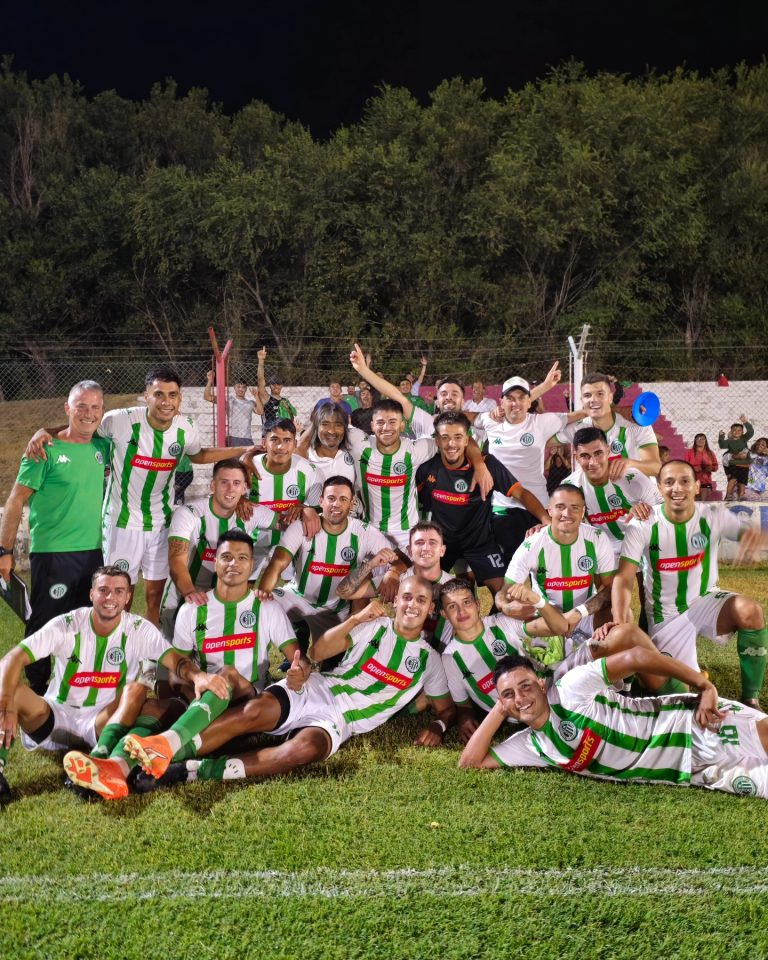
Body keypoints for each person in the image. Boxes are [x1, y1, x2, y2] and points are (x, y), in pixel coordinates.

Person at [121, 576, 455, 788]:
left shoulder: (430, 660)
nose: (411, 605)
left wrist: (439, 726)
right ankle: (161, 750)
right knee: (250, 713)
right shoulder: (373, 626)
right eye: (406, 597)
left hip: (339, 719)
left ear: (431, 609)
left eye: (421, 600)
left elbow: (446, 709)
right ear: (396, 600)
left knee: (301, 751)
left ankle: (192, 770)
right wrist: (355, 618)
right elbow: (318, 651)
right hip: (316, 687)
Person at [25, 366, 258, 628]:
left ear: (179, 398)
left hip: (160, 523)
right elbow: (81, 429)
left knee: (155, 595)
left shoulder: (186, 427)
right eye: (158, 394)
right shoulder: (119, 420)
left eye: (172, 395)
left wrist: (244, 449)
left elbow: (199, 455)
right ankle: (117, 644)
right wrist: (46, 431)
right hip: (122, 523)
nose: (166, 401)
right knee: (119, 593)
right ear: (146, 396)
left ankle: (149, 648)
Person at [0, 565, 228, 802]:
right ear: (91, 594)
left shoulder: (138, 629)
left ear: (128, 596)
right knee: (9, 689)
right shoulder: (67, 624)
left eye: (119, 591)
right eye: (103, 590)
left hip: (101, 723)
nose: (110, 597)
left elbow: (175, 660)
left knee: (137, 690)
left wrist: (198, 676)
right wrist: (6, 704)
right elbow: (12, 658)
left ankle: (100, 760)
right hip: (53, 718)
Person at [458, 648, 768, 801]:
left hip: (693, 725)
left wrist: (704, 685)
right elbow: (469, 763)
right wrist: (500, 709)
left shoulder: (571, 689)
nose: (520, 698)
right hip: (692, 772)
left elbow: (636, 656)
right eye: (508, 695)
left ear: (541, 684)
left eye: (525, 686)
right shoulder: (533, 745)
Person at [612, 459, 768, 707]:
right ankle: (654, 672)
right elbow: (624, 578)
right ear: (659, 488)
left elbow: (750, 535)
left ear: (696, 486)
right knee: (677, 698)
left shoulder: (713, 516)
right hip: (665, 615)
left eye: (685, 481)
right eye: (669, 482)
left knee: (750, 610)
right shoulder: (643, 524)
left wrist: (754, 540)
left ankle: (751, 698)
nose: (677, 488)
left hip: (705, 600)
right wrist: (620, 622)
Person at [0, 380, 111, 694]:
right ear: (67, 408)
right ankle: (37, 689)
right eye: (81, 407)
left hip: (93, 552)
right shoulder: (43, 450)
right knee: (46, 623)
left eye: (95, 407)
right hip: (53, 553)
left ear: (102, 411)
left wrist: (45, 428)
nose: (88, 414)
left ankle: (76, 686)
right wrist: (4, 551)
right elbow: (15, 501)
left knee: (86, 621)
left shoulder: (103, 447)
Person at [256, 477, 404, 642]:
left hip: (335, 609)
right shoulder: (302, 525)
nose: (336, 504)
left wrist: (393, 572)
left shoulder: (364, 532)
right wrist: (263, 595)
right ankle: (295, 634)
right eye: (331, 498)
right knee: (260, 608)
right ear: (321, 501)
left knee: (334, 655)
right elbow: (277, 564)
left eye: (343, 499)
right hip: (296, 597)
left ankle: (310, 634)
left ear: (351, 504)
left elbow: (401, 559)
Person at [416, 412, 548, 596]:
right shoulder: (427, 469)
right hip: (443, 542)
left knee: (506, 595)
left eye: (458, 437)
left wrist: (546, 520)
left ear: (467, 440)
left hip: (479, 542)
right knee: (424, 592)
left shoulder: (487, 466)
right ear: (437, 440)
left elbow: (521, 493)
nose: (451, 444)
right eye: (445, 438)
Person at [170, 532, 300, 700]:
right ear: (215, 563)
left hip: (251, 701)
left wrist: (299, 671)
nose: (234, 563)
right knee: (149, 705)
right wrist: (194, 700)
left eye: (242, 558)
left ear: (252, 566)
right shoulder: (191, 610)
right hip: (203, 699)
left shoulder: (266, 606)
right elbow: (176, 672)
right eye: (226, 557)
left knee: (228, 674)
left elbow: (299, 661)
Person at [159, 459, 280, 638]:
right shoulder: (189, 513)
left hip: (223, 597)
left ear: (244, 488)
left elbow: (286, 522)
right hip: (183, 593)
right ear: (212, 486)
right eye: (224, 482)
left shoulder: (251, 512)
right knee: (172, 649)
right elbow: (177, 560)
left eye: (236, 483)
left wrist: (306, 511)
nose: (230, 489)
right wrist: (190, 593)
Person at [439, 577, 570, 741]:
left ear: (478, 604)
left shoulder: (502, 622)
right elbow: (463, 705)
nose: (461, 611)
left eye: (466, 602)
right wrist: (465, 719)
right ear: (444, 614)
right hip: (518, 720)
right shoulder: (450, 658)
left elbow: (557, 626)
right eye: (452, 606)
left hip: (551, 693)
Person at [474, 367, 583, 564]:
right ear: (501, 401)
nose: (515, 403)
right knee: (512, 566)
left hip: (539, 506)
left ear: (529, 401)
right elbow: (462, 418)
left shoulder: (542, 422)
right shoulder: (490, 420)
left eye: (521, 398)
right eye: (510, 398)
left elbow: (577, 416)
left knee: (546, 564)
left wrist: (601, 407)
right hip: (504, 507)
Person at [495, 484, 617, 644]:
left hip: (584, 614)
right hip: (547, 619)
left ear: (583, 511)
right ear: (550, 510)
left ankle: (599, 647)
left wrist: (579, 612)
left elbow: (610, 588)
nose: (567, 514)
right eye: (560, 507)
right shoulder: (532, 545)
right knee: (515, 624)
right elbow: (504, 591)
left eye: (574, 508)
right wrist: (506, 607)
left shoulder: (597, 538)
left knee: (622, 613)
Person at [564, 427, 662, 565]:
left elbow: (664, 515)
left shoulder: (633, 478)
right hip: (602, 549)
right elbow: (560, 526)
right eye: (585, 456)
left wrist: (647, 513)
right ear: (576, 458)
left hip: (638, 545)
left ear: (608, 451)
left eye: (598, 453)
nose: (593, 462)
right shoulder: (570, 487)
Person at [245, 418, 323, 571]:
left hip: (292, 546)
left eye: (287, 440)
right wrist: (239, 500)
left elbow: (319, 510)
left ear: (295, 443)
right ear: (264, 442)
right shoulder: (247, 468)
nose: (281, 447)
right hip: (252, 546)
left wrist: (306, 508)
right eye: (274, 440)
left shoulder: (310, 471)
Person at [556, 372, 661, 478]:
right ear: (582, 401)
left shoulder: (636, 425)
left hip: (635, 488)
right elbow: (545, 437)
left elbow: (656, 468)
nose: (593, 399)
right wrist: (583, 413)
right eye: (587, 395)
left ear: (610, 397)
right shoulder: (578, 427)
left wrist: (630, 464)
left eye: (600, 394)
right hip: (595, 488)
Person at [296, 401, 357, 488]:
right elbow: (300, 446)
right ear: (316, 427)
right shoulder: (306, 458)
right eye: (325, 424)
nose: (331, 431)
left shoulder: (353, 451)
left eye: (338, 425)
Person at [203, 370, 258, 446]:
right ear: (234, 387)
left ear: (246, 389)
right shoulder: (229, 400)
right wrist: (210, 381)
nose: (240, 389)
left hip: (247, 437)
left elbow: (260, 411)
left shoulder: (250, 403)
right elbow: (207, 397)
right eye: (238, 387)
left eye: (243, 387)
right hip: (233, 437)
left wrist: (257, 396)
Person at [255, 346, 298, 430]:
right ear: (270, 385)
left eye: (279, 384)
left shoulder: (285, 401)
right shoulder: (266, 398)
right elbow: (260, 380)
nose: (276, 386)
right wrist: (261, 361)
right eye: (273, 384)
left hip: (283, 433)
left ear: (282, 386)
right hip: (269, 433)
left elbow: (291, 418)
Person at [719, 415, 754, 500]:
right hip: (734, 464)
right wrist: (721, 436)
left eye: (739, 430)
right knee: (733, 479)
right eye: (734, 430)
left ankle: (741, 496)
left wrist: (745, 422)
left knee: (742, 482)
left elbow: (751, 432)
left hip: (745, 465)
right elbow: (722, 445)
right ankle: (728, 495)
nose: (736, 432)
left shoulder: (744, 439)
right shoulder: (729, 441)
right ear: (731, 431)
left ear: (742, 432)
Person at [686, 433, 718, 501]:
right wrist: (694, 469)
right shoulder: (689, 452)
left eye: (703, 439)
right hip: (693, 481)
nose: (700, 440)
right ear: (695, 441)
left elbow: (715, 467)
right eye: (698, 439)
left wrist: (710, 468)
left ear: (706, 441)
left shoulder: (710, 453)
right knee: (694, 503)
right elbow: (685, 466)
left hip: (706, 482)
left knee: (705, 503)